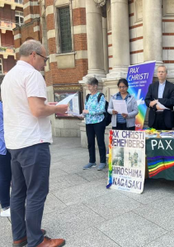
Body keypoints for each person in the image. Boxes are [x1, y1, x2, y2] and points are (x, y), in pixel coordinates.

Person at [1, 40, 67, 247]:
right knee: (37, 192)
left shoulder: (8, 77)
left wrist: (48, 105)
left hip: (15, 143)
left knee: (18, 192)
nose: (44, 63)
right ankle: (37, 241)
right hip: (33, 142)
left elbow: (26, 107)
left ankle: (20, 236)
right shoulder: (32, 75)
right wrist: (58, 108)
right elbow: (37, 110)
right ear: (33, 55)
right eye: (44, 59)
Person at [83, 78, 107, 171]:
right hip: (89, 122)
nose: (88, 88)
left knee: (100, 141)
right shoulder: (88, 97)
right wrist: (83, 114)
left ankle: (102, 161)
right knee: (90, 142)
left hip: (98, 122)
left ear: (95, 86)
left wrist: (89, 111)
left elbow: (101, 109)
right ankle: (92, 161)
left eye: (89, 86)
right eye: (88, 86)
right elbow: (86, 108)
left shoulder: (100, 96)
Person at [145, 65, 174, 130]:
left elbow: (172, 101)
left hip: (166, 118)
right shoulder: (152, 86)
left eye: (162, 72)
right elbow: (147, 100)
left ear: (166, 74)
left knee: (166, 138)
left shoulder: (172, 86)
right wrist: (155, 106)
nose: (161, 73)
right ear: (157, 74)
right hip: (154, 117)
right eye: (159, 72)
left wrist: (158, 100)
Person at [0, 88, 11, 218]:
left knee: (4, 176)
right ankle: (6, 205)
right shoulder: (1, 106)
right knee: (5, 176)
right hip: (4, 147)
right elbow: (3, 129)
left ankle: (6, 203)